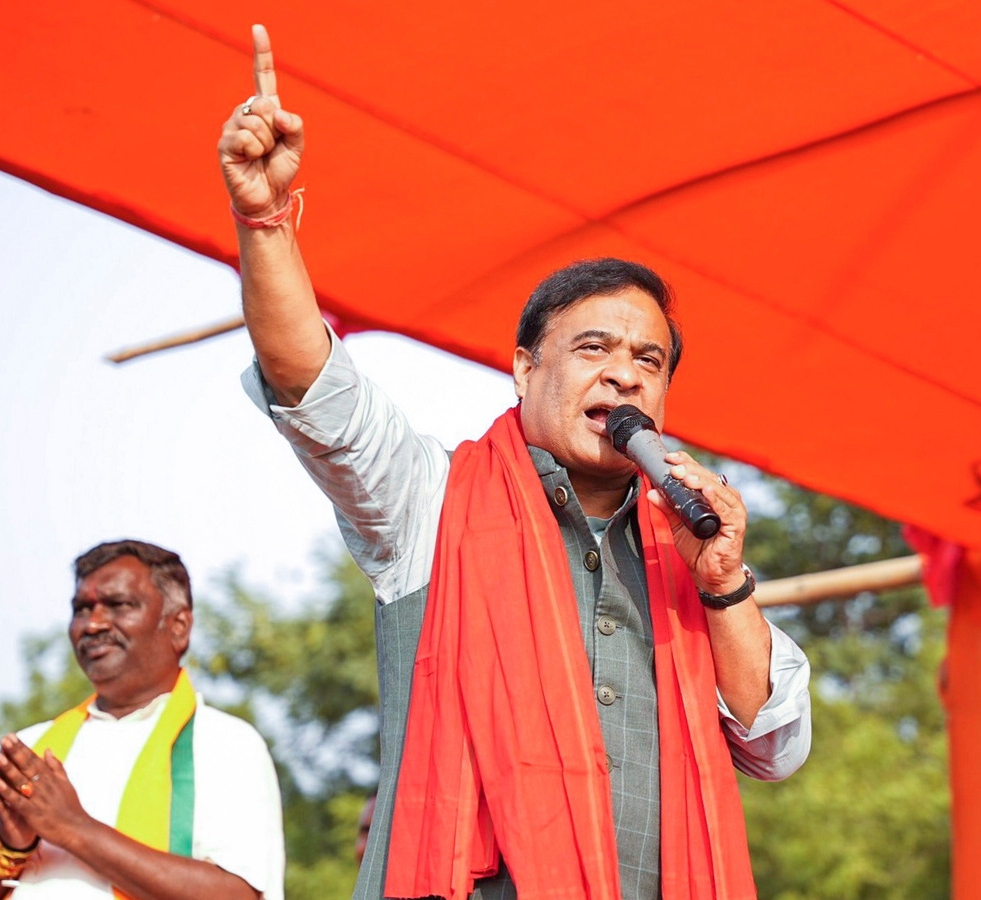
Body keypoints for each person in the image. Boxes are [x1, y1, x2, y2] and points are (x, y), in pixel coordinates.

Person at [219, 25, 811, 900]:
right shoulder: (432, 499)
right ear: (526, 369)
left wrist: (723, 586)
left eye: (648, 362)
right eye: (594, 348)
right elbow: (313, 388)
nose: (624, 374)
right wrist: (264, 222)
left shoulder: (690, 545)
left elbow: (775, 743)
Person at [0, 540, 285, 900]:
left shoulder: (225, 744)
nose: (93, 624)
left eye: (119, 605)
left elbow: (239, 895)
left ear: (178, 626)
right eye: (82, 609)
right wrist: (8, 847)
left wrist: (74, 828)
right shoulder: (31, 750)